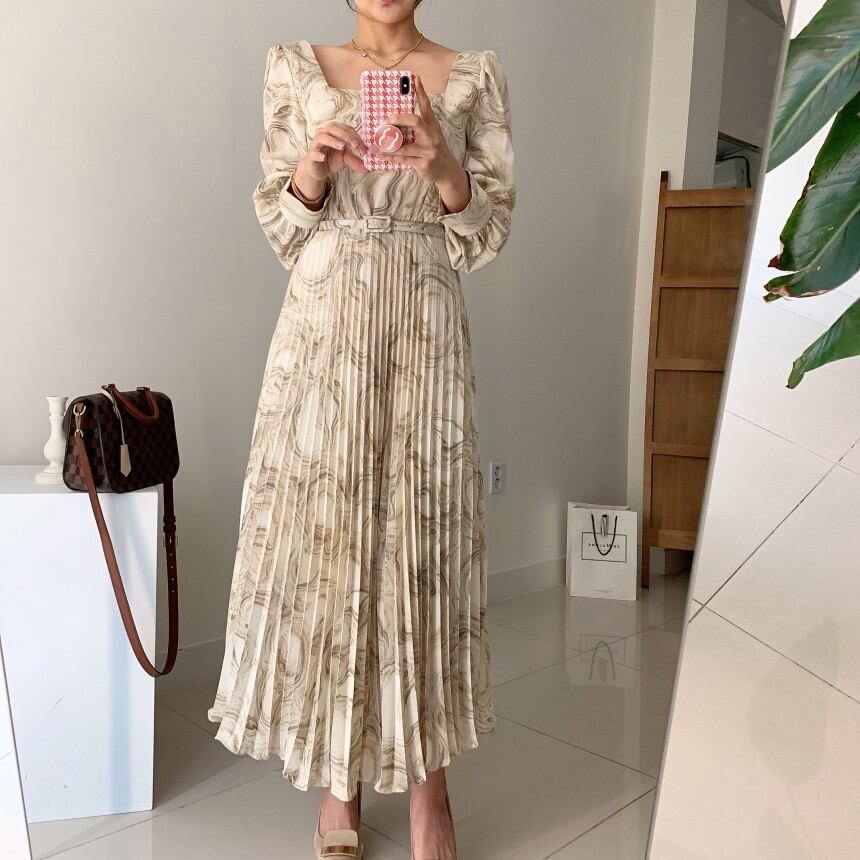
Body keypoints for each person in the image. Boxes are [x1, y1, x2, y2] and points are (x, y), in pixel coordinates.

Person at [207, 1, 515, 857]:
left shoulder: (475, 75)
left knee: (424, 541)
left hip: (424, 322)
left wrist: (447, 170)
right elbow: (281, 227)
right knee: (329, 537)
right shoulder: (293, 66)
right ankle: (337, 783)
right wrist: (311, 172)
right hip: (324, 323)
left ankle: (430, 791)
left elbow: (488, 232)